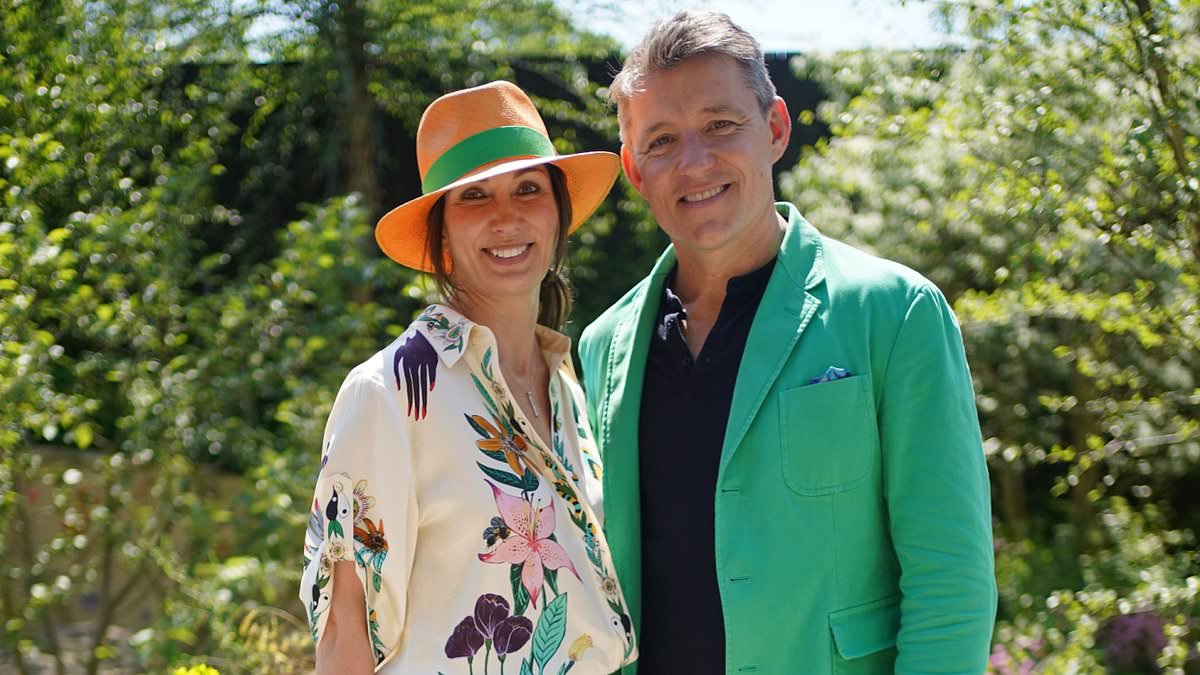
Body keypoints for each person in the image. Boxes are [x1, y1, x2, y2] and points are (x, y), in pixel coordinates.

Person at [578, 10, 997, 674]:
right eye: (661, 140)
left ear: (774, 129)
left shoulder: (895, 312)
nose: (694, 162)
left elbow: (951, 585)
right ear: (634, 169)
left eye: (721, 125)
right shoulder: (603, 345)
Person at [300, 80, 637, 675]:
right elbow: (343, 635)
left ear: (559, 214)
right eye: (475, 197)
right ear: (443, 238)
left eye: (528, 188)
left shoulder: (567, 390)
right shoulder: (389, 395)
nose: (506, 216)